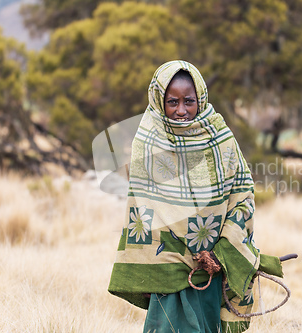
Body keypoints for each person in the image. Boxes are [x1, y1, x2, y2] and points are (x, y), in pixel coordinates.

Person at [108, 60, 282, 333]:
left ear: (200, 98)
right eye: (172, 102)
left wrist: (222, 249)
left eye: (188, 101)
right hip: (167, 263)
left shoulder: (219, 135)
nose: (181, 111)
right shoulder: (148, 138)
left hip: (211, 264)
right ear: (159, 101)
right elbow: (145, 205)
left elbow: (242, 192)